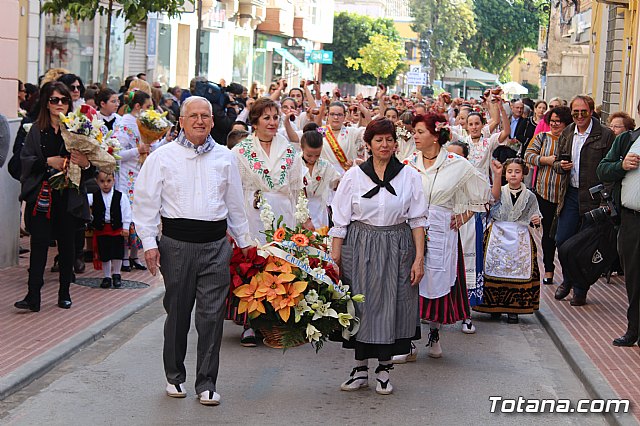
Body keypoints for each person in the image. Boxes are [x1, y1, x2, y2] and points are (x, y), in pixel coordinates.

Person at [134, 96, 251, 406]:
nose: (200, 121)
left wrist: (246, 244)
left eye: (205, 116)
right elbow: (145, 203)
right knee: (178, 312)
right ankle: (174, 376)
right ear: (181, 121)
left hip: (215, 245)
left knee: (211, 317)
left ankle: (207, 383)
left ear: (213, 121)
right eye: (193, 116)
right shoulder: (163, 157)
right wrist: (148, 243)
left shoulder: (225, 157)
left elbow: (236, 204)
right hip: (176, 245)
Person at [329, 117, 428, 395]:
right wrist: (334, 258)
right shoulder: (354, 176)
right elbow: (340, 220)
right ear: (369, 145)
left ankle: (384, 370)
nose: (384, 145)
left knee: (392, 307)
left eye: (389, 139)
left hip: (398, 245)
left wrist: (419, 259)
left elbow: (418, 220)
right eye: (378, 140)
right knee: (360, 306)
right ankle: (360, 369)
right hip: (360, 244)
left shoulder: (409, 176)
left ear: (396, 143)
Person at [405, 113, 490, 357]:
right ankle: (408, 339)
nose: (415, 136)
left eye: (420, 132)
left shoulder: (456, 163)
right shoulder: (409, 162)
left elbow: (482, 191)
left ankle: (434, 333)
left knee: (437, 281)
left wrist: (465, 215)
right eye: (415, 131)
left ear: (435, 135)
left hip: (443, 228)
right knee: (410, 282)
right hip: (412, 227)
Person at [231, 97, 306, 346]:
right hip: (252, 213)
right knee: (252, 265)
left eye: (276, 117)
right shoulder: (240, 152)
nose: (272, 122)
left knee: (279, 266)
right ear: (255, 122)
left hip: (283, 213)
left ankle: (277, 320)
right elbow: (233, 189)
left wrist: (302, 219)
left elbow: (297, 189)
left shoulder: (289, 150)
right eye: (267, 117)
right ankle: (251, 323)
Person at [15, 82, 93, 312]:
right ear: (46, 103)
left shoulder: (78, 129)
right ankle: (32, 296)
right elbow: (25, 161)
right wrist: (49, 161)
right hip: (42, 196)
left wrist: (85, 163)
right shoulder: (36, 130)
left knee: (67, 246)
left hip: (68, 197)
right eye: (54, 100)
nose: (59, 104)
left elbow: (92, 169)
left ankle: (64, 293)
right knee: (38, 245)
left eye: (64, 100)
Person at [553, 95, 615, 306]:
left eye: (583, 111)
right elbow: (557, 160)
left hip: (593, 196)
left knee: (585, 246)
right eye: (575, 112)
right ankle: (569, 279)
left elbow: (610, 169)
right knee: (562, 241)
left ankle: (580, 290)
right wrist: (560, 166)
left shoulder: (605, 135)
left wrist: (605, 199)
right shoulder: (568, 132)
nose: (579, 115)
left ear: (591, 111)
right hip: (570, 193)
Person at [473, 158, 541, 323]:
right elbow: (490, 203)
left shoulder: (530, 196)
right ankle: (492, 306)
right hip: (498, 233)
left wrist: (536, 219)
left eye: (517, 172)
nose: (513, 175)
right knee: (492, 266)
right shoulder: (499, 191)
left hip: (520, 235)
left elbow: (536, 214)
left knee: (518, 269)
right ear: (505, 174)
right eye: (510, 171)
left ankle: (514, 309)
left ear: (523, 174)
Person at [597, 101, 640, 347]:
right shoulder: (627, 140)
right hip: (632, 220)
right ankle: (634, 330)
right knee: (634, 277)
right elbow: (603, 170)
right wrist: (621, 166)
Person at [523, 106, 572, 286]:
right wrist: (546, 160)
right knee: (548, 235)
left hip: (567, 195)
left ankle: (568, 274)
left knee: (565, 236)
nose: (554, 125)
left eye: (558, 122)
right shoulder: (542, 137)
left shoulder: (571, 139)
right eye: (551, 121)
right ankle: (549, 269)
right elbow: (528, 156)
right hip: (545, 193)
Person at [112, 90, 153, 273]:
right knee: (127, 216)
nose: (150, 111)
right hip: (127, 177)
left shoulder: (143, 124)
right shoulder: (124, 124)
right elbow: (116, 153)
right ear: (137, 106)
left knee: (141, 214)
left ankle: (135, 255)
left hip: (141, 174)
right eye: (147, 107)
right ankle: (124, 257)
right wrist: (138, 150)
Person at [88, 170, 131, 289]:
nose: (105, 184)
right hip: (102, 229)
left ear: (114, 181)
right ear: (97, 182)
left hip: (117, 229)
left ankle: (117, 275)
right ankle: (107, 276)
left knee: (117, 253)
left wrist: (126, 227)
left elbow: (126, 212)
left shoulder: (120, 196)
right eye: (102, 181)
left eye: (108, 181)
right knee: (105, 253)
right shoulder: (94, 196)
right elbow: (83, 200)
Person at [300, 130, 340, 229]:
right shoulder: (295, 164)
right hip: (299, 209)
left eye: (317, 155)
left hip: (319, 210)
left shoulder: (325, 165)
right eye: (309, 155)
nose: (313, 159)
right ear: (302, 148)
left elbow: (336, 183)